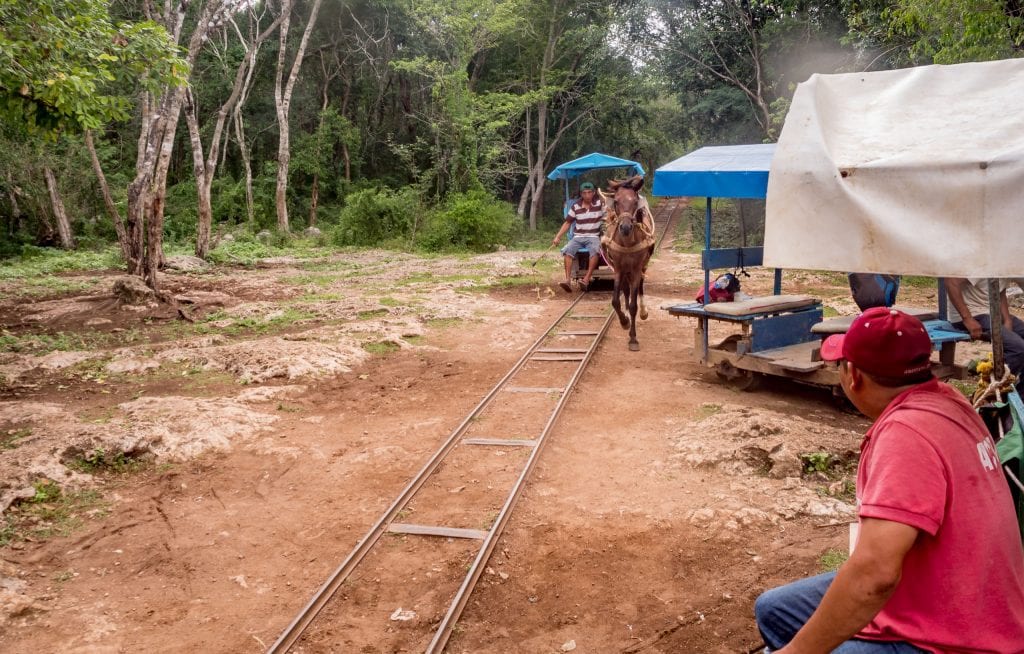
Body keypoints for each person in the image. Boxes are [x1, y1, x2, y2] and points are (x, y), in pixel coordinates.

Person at [754, 307, 1024, 653]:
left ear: (853, 376)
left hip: (961, 637)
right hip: (967, 596)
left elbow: (875, 576)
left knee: (801, 641)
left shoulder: (906, 435)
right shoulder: (950, 400)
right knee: (774, 609)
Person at [945, 277, 1024, 384]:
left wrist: (1007, 320)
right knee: (1017, 348)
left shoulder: (1007, 265)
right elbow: (951, 281)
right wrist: (968, 319)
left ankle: (1020, 395)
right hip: (974, 314)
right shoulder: (982, 262)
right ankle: (993, 392)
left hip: (993, 312)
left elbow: (999, 290)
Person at [552, 181, 606, 292]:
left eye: (589, 192)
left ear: (593, 193)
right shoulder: (575, 206)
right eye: (584, 193)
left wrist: (602, 196)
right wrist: (558, 237)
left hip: (593, 236)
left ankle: (586, 279)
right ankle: (567, 280)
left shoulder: (600, 204)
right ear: (581, 194)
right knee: (567, 251)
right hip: (578, 237)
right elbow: (567, 223)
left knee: (595, 251)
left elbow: (609, 210)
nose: (587, 195)